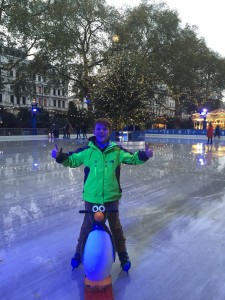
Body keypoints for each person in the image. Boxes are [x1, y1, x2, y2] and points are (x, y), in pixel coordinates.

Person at [51, 118, 153, 272]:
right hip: (92, 198)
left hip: (111, 198)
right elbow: (72, 160)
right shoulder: (87, 151)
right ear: (94, 130)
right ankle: (78, 254)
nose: (101, 132)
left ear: (109, 132)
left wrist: (144, 155)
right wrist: (59, 156)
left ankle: (123, 255)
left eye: (105, 129)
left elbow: (132, 159)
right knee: (86, 227)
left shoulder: (117, 151)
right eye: (98, 129)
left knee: (115, 227)